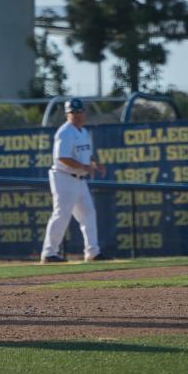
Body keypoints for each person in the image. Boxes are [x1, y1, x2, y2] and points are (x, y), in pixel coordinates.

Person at [41, 97, 108, 263]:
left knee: (88, 214)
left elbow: (86, 154)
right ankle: (49, 253)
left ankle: (92, 252)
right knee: (61, 215)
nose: (77, 115)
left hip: (79, 179)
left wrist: (95, 163)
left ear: (84, 113)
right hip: (64, 178)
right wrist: (85, 167)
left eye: (79, 111)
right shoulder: (65, 132)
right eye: (73, 112)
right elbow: (62, 157)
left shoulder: (83, 132)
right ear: (67, 114)